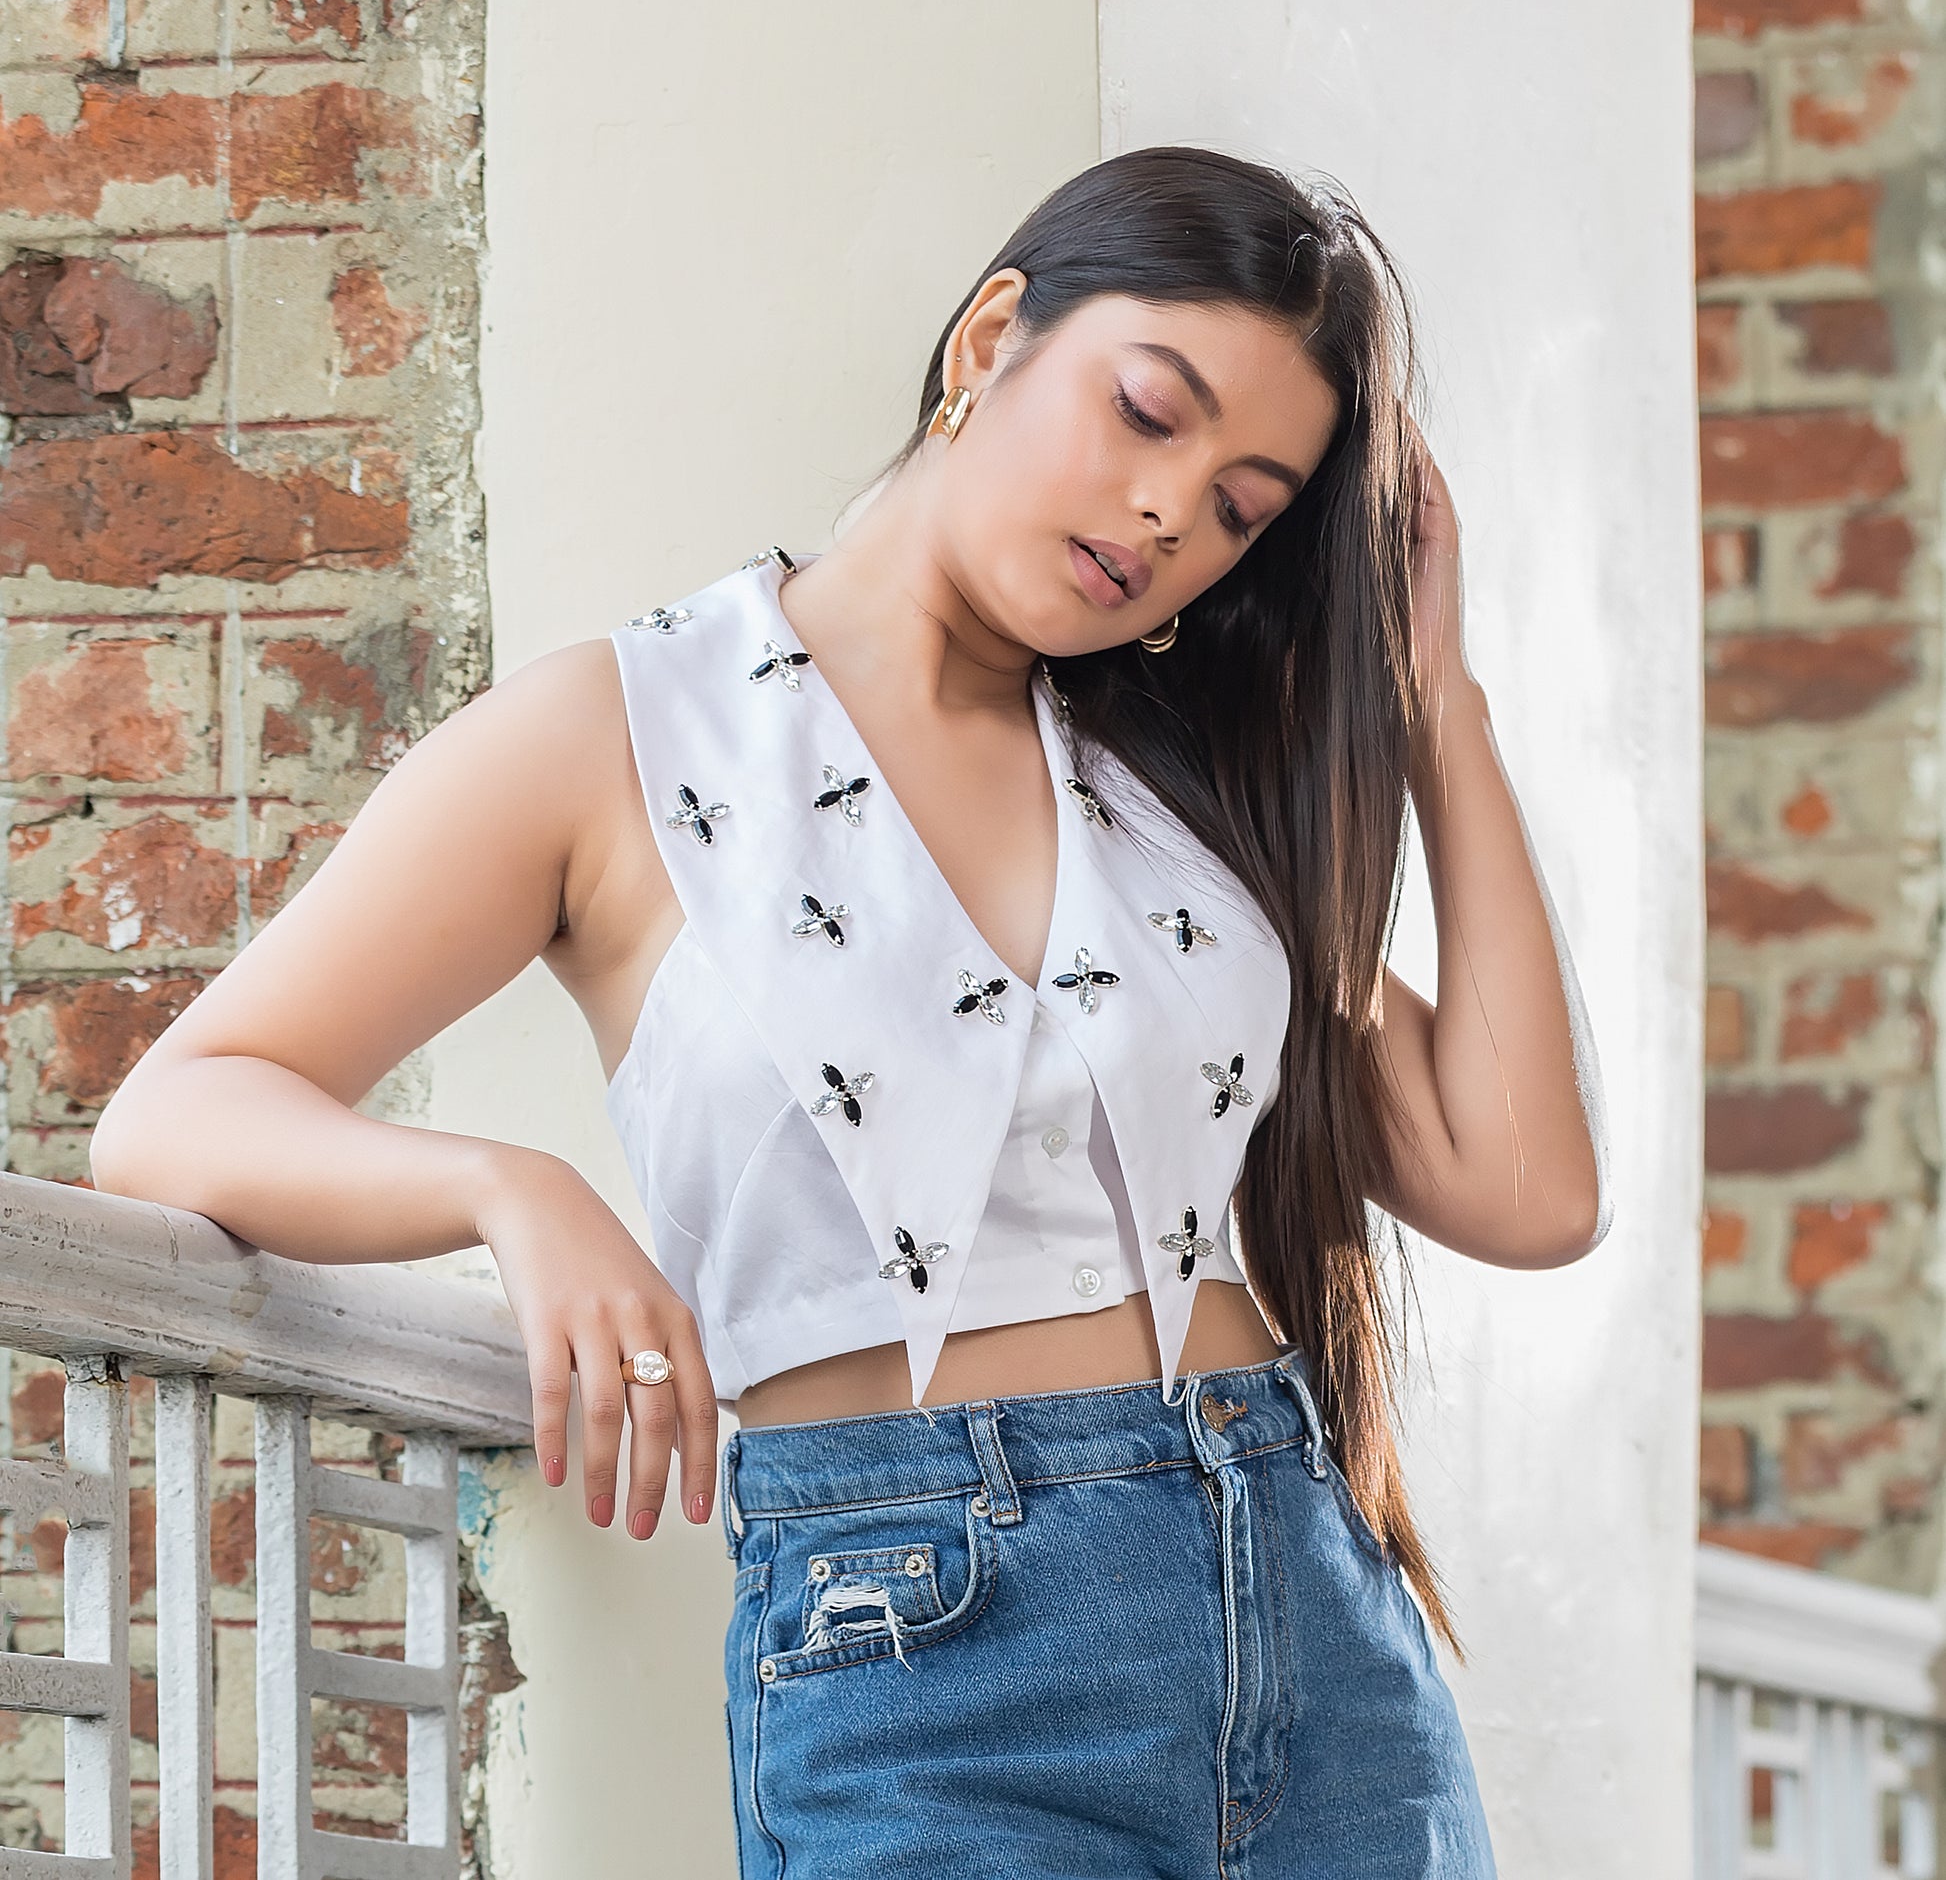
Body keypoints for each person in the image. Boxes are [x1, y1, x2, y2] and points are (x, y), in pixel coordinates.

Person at [91, 143, 1609, 1877]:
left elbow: (1526, 1184)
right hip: (920, 1648)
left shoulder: (1172, 798)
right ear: (988, 341)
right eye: (1145, 412)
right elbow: (176, 1110)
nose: (1172, 510)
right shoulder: (622, 735)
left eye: (1245, 503)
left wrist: (1439, 706)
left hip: (1310, 1620)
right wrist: (513, 1192)